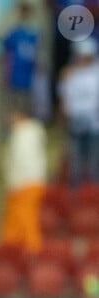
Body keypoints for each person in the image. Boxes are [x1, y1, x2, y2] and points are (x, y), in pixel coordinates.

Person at [0, 102, 47, 252]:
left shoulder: (24, 134)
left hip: (24, 183)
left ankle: (32, 251)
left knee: (26, 218)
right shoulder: (29, 133)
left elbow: (21, 161)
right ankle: (12, 252)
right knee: (16, 219)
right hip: (29, 182)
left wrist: (15, 183)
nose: (9, 120)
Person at [58, 38, 99, 188]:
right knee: (75, 162)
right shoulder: (69, 74)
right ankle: (75, 196)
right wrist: (65, 117)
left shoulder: (96, 73)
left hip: (94, 125)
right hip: (75, 124)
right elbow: (64, 98)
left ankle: (93, 195)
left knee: (94, 161)